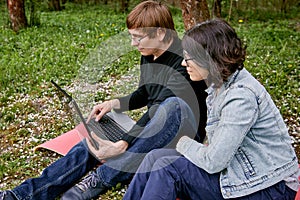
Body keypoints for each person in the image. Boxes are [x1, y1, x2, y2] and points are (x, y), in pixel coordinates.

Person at [0, 1, 207, 200]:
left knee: (171, 107)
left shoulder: (183, 61)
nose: (133, 44)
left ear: (160, 33)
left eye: (138, 38)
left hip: (179, 136)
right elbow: (145, 93)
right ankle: (23, 194)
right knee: (96, 132)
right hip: (150, 129)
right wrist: (114, 104)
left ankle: (101, 177)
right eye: (131, 37)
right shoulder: (149, 52)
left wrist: (124, 142)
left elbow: (160, 111)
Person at [123, 18, 299, 200]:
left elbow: (213, 161)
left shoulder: (241, 97)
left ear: (209, 58)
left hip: (269, 186)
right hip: (242, 171)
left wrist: (182, 142)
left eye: (188, 58)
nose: (183, 63)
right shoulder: (219, 85)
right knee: (154, 158)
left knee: (168, 169)